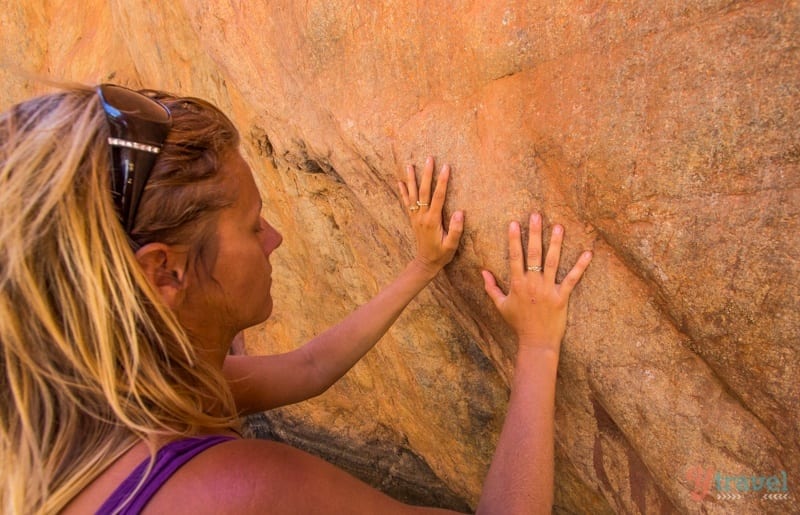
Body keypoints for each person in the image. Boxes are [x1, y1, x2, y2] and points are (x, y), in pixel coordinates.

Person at [0, 84, 592, 514]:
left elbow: (308, 368)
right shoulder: (244, 491)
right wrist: (538, 347)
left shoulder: (104, 398)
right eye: (253, 226)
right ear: (163, 273)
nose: (276, 238)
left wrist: (424, 266)